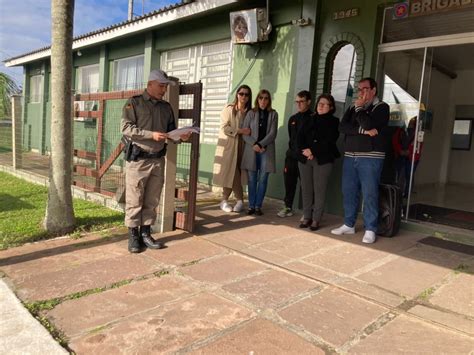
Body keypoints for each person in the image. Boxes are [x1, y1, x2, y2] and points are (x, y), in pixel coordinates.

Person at [121, 69, 191, 253]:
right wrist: (151, 135)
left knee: (152, 200)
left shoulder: (166, 108)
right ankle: (133, 236)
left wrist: (180, 137)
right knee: (135, 198)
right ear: (150, 84)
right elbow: (126, 128)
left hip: (158, 160)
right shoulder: (134, 103)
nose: (164, 89)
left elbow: (170, 133)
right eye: (161, 86)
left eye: (166, 86)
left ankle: (146, 233)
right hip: (138, 160)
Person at [331, 77, 389, 244]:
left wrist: (359, 109)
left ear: (373, 90)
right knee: (349, 191)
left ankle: (371, 228)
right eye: (359, 89)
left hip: (371, 156)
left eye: (365, 89)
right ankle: (349, 224)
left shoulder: (382, 107)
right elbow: (343, 127)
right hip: (351, 155)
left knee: (370, 193)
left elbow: (369, 124)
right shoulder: (352, 107)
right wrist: (363, 131)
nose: (361, 92)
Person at [298, 94, 340, 230]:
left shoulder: (334, 122)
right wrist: (306, 151)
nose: (321, 106)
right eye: (319, 103)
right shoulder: (309, 119)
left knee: (319, 190)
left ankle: (316, 219)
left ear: (331, 107)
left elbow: (329, 141)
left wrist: (313, 151)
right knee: (306, 189)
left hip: (323, 160)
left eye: (325, 104)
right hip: (305, 158)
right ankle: (306, 216)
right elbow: (300, 136)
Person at [212, 85, 252, 213]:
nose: (243, 96)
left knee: (238, 172)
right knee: (232, 172)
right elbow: (225, 128)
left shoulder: (250, 112)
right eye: (241, 94)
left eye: (246, 94)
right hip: (230, 146)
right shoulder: (229, 109)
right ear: (237, 95)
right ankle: (239, 200)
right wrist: (240, 131)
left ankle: (225, 200)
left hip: (245, 146)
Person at [241, 89, 278, 215]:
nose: (263, 100)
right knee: (252, 179)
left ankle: (258, 206)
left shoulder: (273, 114)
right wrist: (255, 145)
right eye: (261, 98)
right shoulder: (251, 113)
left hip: (266, 151)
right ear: (257, 99)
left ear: (269, 100)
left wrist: (261, 144)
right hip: (252, 150)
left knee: (262, 179)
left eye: (266, 98)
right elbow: (245, 133)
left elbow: (273, 134)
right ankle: (251, 206)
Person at [277, 90, 313, 218]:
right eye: (297, 102)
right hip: (291, 157)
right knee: (289, 183)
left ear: (308, 102)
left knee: (306, 186)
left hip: (305, 159)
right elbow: (291, 138)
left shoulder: (313, 118)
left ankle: (308, 212)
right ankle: (288, 207)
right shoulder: (293, 119)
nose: (299, 104)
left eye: (301, 101)